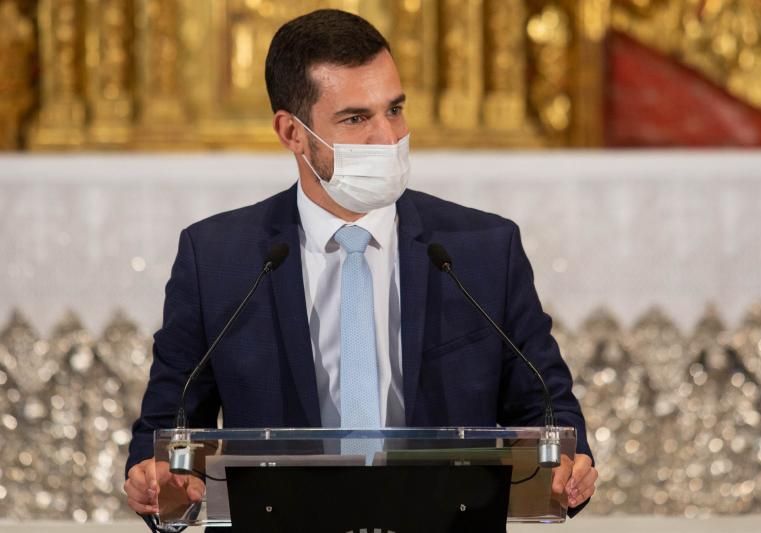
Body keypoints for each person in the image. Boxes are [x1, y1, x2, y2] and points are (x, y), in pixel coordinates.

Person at [124, 8, 597, 524]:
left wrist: (569, 468)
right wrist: (158, 482)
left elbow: (547, 407)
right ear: (292, 132)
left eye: (394, 109)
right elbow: (167, 431)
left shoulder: (482, 249)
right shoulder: (217, 258)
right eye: (355, 119)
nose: (386, 137)